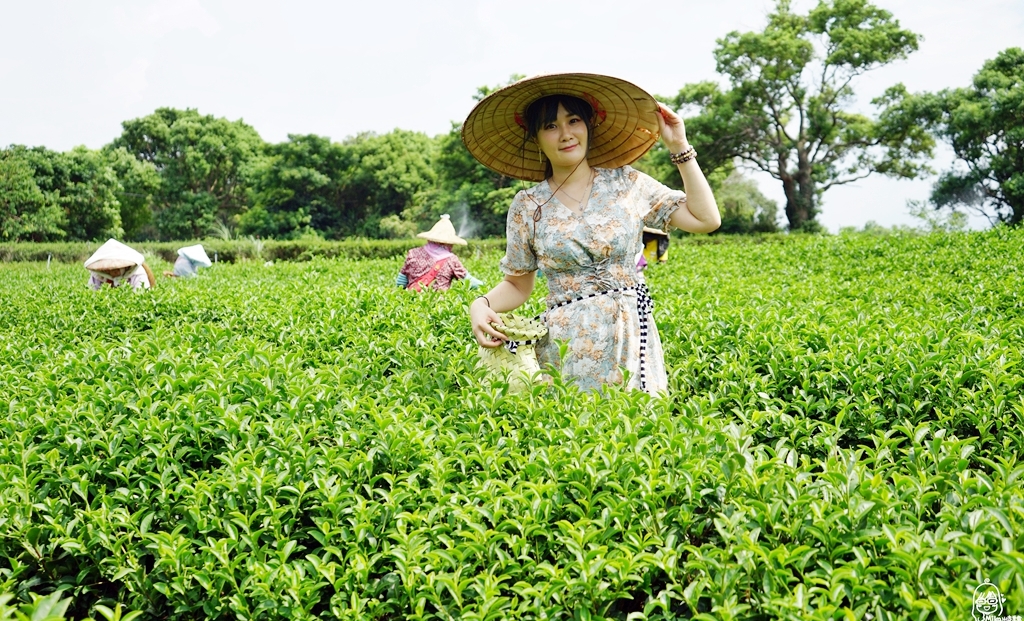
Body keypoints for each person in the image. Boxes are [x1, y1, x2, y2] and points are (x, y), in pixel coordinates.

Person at [463, 73, 721, 395]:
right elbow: (518, 284)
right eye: (550, 126)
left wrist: (680, 147)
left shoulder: (626, 183)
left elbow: (706, 218)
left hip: (629, 332)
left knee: (637, 428)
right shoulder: (527, 205)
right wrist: (481, 304)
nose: (566, 134)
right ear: (536, 138)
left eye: (573, 120)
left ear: (589, 125)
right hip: (565, 343)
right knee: (576, 434)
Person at [397, 214, 481, 291]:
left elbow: (400, 283)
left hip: (413, 302)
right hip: (438, 305)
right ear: (448, 243)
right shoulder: (451, 260)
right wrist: (487, 287)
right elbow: (470, 282)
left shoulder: (413, 253)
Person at [84, 239, 155, 290]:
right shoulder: (98, 276)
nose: (113, 272)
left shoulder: (137, 274)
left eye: (117, 269)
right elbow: (92, 292)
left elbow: (142, 295)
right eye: (110, 269)